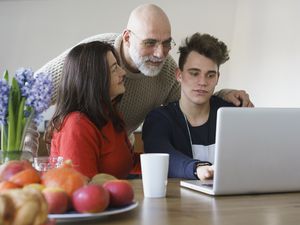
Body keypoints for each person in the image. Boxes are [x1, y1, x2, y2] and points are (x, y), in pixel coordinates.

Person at [35, 4, 253, 141]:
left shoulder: (167, 70)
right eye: (150, 43)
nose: (160, 54)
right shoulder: (92, 55)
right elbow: (22, 98)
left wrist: (223, 94)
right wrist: (22, 154)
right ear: (128, 37)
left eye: (166, 43)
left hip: (118, 155)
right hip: (73, 156)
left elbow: (194, 98)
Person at [142, 33, 236, 180]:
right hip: (178, 201)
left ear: (218, 77)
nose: (203, 82)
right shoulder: (159, 118)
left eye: (210, 75)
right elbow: (162, 155)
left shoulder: (232, 114)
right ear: (179, 75)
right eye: (194, 73)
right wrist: (197, 168)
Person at [45, 41, 139, 179]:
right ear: (94, 79)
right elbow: (82, 189)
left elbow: (131, 163)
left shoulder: (110, 115)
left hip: (119, 199)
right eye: (114, 69)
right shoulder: (76, 126)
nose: (123, 72)